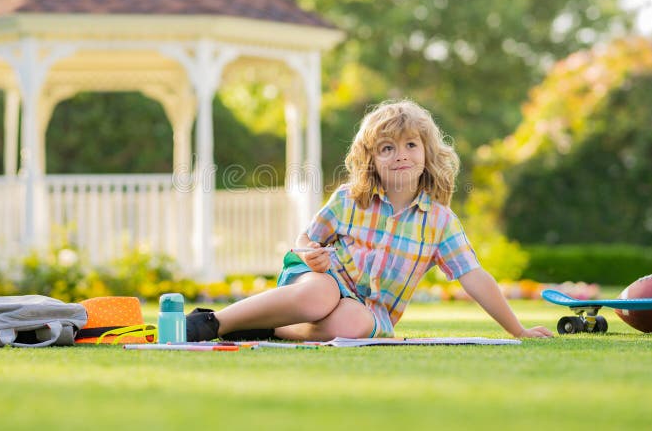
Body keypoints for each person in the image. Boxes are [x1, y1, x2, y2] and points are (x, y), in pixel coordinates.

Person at [185, 99, 553, 341]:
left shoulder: (439, 221)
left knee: (355, 325)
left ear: (427, 153)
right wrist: (311, 253)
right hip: (318, 283)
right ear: (371, 159)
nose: (400, 156)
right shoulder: (349, 199)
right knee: (322, 292)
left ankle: (274, 328)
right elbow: (305, 240)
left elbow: (474, 277)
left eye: (411, 145)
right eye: (387, 149)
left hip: (368, 311)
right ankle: (215, 322)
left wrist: (517, 330)